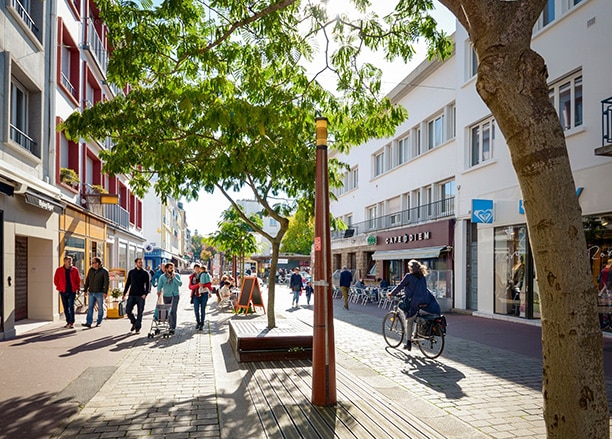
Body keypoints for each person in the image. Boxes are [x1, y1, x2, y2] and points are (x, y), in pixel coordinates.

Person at [389, 259, 440, 350]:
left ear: (411, 268)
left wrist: (391, 293)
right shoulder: (422, 276)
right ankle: (415, 335)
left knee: (409, 321)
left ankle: (408, 343)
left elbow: (400, 286)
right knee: (417, 316)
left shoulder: (409, 276)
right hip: (425, 301)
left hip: (415, 302)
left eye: (409, 267)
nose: (409, 269)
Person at [123, 257, 150, 334]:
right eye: (139, 262)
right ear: (136, 263)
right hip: (132, 295)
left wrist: (145, 294)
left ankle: (138, 327)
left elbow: (148, 285)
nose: (141, 264)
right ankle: (134, 322)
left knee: (140, 312)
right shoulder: (131, 272)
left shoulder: (145, 273)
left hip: (141, 296)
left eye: (141, 262)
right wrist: (124, 293)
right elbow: (128, 283)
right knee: (128, 310)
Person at [54, 256, 81, 329]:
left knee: (71, 306)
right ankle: (68, 321)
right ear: (64, 262)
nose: (70, 263)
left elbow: (77, 280)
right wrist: (59, 288)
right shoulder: (59, 270)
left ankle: (72, 322)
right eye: (69, 261)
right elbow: (56, 280)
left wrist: (78, 288)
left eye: (71, 261)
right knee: (65, 307)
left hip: (72, 291)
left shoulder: (74, 270)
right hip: (63, 291)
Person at [82, 257, 110, 328]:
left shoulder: (104, 271)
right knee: (90, 307)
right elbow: (87, 280)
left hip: (100, 293)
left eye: (93, 263)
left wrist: (105, 292)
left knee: (100, 308)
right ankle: (88, 322)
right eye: (92, 263)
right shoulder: (91, 270)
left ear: (98, 263)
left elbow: (106, 283)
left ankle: (99, 321)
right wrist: (85, 290)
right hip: (91, 292)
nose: (92, 264)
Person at [157, 262, 182, 335]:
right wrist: (158, 291)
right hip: (166, 296)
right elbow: (160, 285)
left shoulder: (176, 275)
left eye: (173, 268)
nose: (172, 269)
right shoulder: (162, 277)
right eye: (170, 268)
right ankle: (170, 325)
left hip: (175, 295)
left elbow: (180, 284)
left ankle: (172, 328)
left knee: (173, 311)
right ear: (167, 269)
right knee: (168, 312)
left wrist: (174, 278)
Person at [195, 265, 212, 330]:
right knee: (197, 310)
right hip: (198, 294)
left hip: (204, 293)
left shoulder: (203, 275)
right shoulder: (206, 274)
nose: (197, 269)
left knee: (203, 309)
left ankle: (201, 323)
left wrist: (202, 284)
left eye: (198, 268)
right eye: (195, 268)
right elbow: (190, 286)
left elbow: (207, 283)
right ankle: (198, 322)